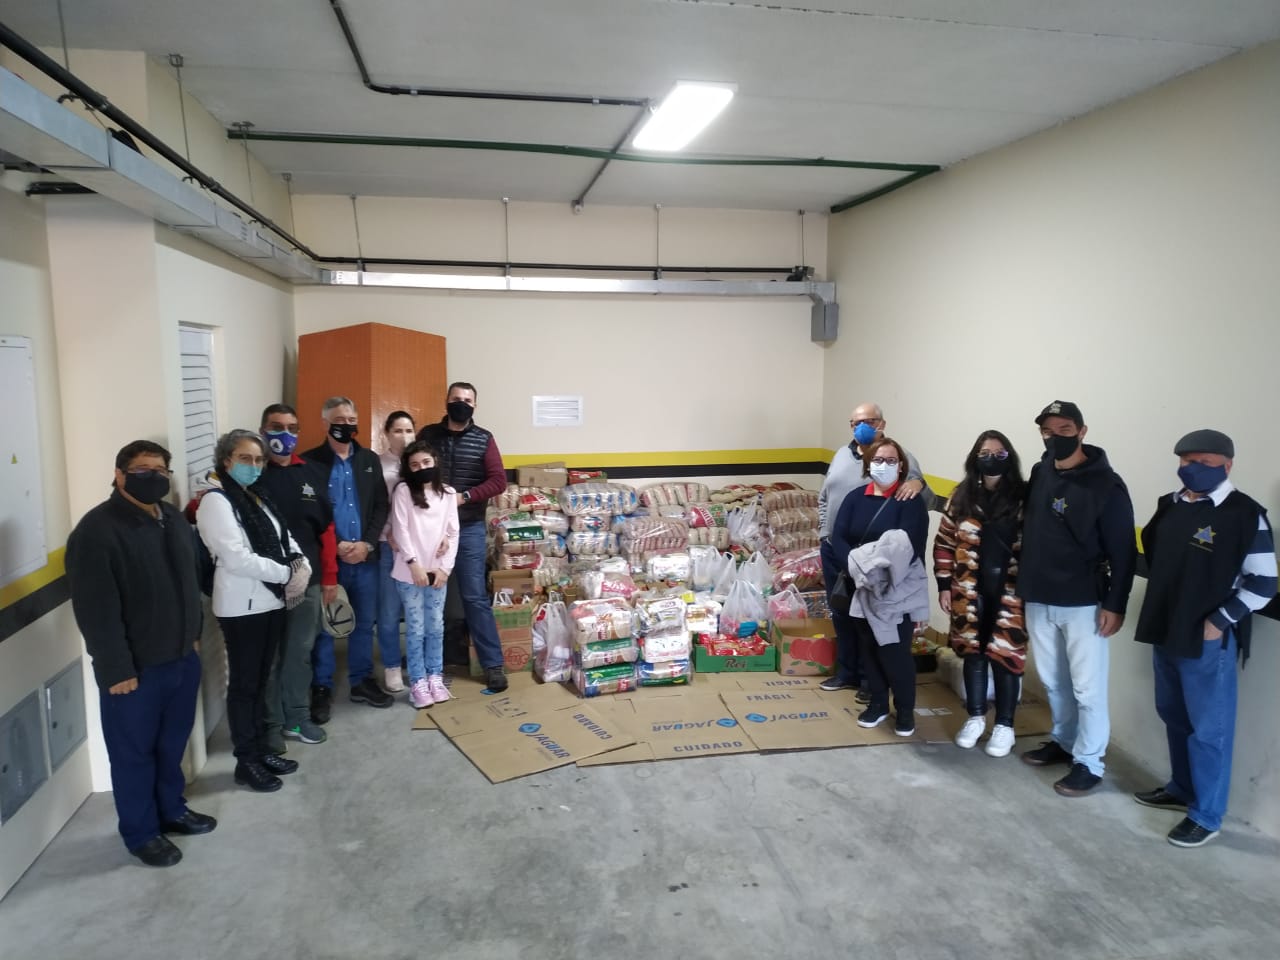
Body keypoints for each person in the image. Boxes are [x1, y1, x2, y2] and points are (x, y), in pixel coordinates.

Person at [65, 440, 213, 867]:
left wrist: (193, 635)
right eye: (143, 469)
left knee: (171, 746)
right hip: (135, 671)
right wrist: (115, 668)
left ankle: (171, 810)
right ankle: (141, 833)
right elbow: (96, 610)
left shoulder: (171, 518)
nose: (154, 477)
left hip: (181, 659)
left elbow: (188, 582)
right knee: (133, 755)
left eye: (161, 470)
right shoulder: (96, 532)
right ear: (119, 475)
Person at [1131, 430, 1276, 848]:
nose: (1194, 468)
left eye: (1206, 462)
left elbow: (1265, 582)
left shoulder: (1245, 515)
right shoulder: (1170, 506)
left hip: (1208, 640)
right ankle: (1181, 788)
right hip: (1166, 628)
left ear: (1228, 465)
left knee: (1209, 731)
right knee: (1173, 715)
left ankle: (1207, 815)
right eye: (1187, 460)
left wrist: (1219, 621)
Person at [1018, 401, 1136, 796]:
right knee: (1053, 682)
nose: (1055, 438)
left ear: (1082, 431)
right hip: (1038, 597)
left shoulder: (1107, 485)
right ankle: (1064, 741)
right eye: (1048, 431)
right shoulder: (1041, 472)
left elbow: (1123, 551)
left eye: (1065, 430)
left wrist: (1115, 603)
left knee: (1087, 688)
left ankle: (1089, 762)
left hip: (1083, 602)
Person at [197, 430, 310, 793]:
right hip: (241, 608)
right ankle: (246, 760)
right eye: (245, 459)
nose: (254, 466)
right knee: (245, 686)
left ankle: (262, 751)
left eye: (259, 460)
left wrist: (302, 563)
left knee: (262, 681)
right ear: (226, 460)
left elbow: (285, 538)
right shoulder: (216, 502)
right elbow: (236, 557)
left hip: (272, 601)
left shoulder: (258, 496)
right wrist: (287, 573)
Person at [819, 402, 931, 699]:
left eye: (868, 421)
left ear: (882, 423)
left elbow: (922, 495)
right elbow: (825, 496)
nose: (861, 427)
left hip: (876, 562)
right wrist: (824, 532)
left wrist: (918, 482)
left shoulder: (898, 455)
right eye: (855, 422)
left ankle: (872, 683)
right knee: (842, 612)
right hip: (837, 549)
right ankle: (847, 672)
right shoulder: (841, 455)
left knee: (874, 618)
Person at [934, 431, 1028, 758]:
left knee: (1006, 656)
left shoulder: (1023, 496)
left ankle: (1005, 725)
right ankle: (975, 717)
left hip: (1011, 592)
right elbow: (944, 544)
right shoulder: (960, 496)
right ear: (975, 457)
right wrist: (944, 586)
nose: (992, 459)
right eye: (985, 453)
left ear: (1010, 458)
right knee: (973, 654)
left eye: (999, 454)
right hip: (968, 591)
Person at [418, 382, 511, 692]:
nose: (461, 404)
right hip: (430, 529)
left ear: (475, 405)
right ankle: (425, 661)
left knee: (474, 597)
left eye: (467, 400)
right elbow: (414, 472)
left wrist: (465, 496)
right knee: (428, 595)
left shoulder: (484, 438)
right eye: (456, 399)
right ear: (446, 401)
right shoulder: (428, 435)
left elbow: (498, 481)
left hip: (469, 527)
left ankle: (493, 665)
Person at [303, 397, 393, 716]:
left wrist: (367, 544)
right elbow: (310, 512)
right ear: (325, 423)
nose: (347, 425)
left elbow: (381, 505)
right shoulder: (309, 462)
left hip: (365, 559)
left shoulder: (368, 460)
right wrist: (338, 545)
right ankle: (322, 686)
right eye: (340, 420)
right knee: (326, 624)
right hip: (330, 560)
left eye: (352, 419)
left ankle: (361, 681)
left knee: (363, 623)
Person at [258, 404, 338, 750]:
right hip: (262, 583)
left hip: (308, 580)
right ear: (262, 431)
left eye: (292, 428)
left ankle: (297, 716)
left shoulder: (313, 473)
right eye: (276, 427)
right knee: (269, 656)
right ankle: (271, 724)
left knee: (300, 651)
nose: (284, 434)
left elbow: (327, 529)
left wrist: (330, 577)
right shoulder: (252, 473)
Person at [390, 440, 460, 707]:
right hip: (410, 573)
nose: (422, 468)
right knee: (416, 628)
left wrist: (445, 569)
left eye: (426, 462)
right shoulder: (404, 491)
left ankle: (435, 676)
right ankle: (418, 681)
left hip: (437, 573)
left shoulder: (448, 493)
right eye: (415, 465)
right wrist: (414, 564)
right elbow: (400, 530)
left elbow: (453, 532)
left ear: (435, 462)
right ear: (408, 468)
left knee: (436, 627)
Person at [376, 410, 418, 694]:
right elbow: (374, 505)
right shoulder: (377, 465)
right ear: (387, 434)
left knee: (417, 612)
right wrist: (388, 532)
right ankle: (391, 665)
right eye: (398, 431)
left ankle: (416, 664)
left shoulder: (420, 462)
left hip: (419, 548)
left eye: (409, 430)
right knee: (389, 611)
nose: (404, 436)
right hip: (388, 546)